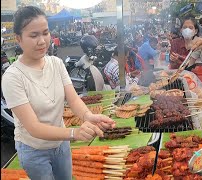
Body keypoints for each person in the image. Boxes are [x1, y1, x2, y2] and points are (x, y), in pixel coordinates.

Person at [1, 6, 116, 179]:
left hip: (61, 144)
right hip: (34, 150)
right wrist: (74, 133)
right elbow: (34, 127)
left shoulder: (56, 63)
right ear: (19, 39)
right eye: (34, 35)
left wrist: (88, 116)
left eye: (45, 33)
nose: (42, 41)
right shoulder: (12, 77)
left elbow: (73, 99)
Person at [170, 15, 202, 85]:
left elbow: (196, 67)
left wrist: (178, 60)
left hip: (193, 81)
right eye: (184, 27)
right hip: (177, 80)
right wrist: (174, 60)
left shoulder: (200, 45)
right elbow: (172, 64)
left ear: (195, 31)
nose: (187, 30)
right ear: (181, 30)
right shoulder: (175, 43)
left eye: (190, 28)